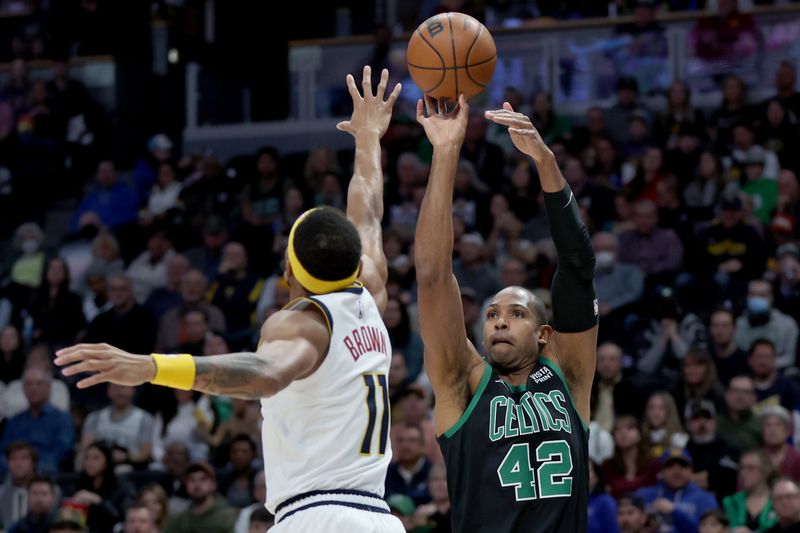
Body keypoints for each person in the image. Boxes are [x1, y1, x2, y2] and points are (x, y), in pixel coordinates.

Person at [55, 65, 404, 533]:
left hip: (317, 517)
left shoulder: (302, 322)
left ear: (288, 271)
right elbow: (367, 208)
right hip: (378, 517)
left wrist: (151, 367)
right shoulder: (371, 290)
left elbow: (264, 374)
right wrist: (368, 139)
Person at [414, 96, 597, 532]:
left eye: (516, 313)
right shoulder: (463, 383)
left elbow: (577, 266)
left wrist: (545, 161)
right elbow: (434, 276)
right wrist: (445, 153)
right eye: (493, 313)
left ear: (543, 334)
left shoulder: (568, 374)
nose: (498, 320)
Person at [722, 450, 778, 532]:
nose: (743, 473)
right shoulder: (731, 502)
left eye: (750, 467)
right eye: (741, 468)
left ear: (766, 470)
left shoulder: (780, 500)